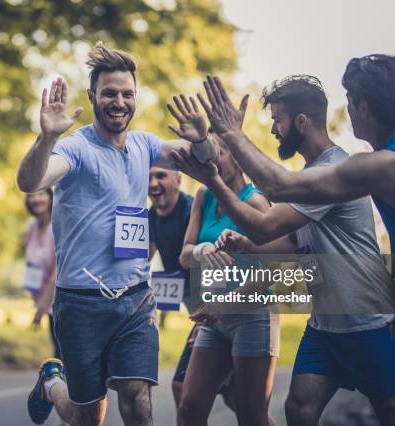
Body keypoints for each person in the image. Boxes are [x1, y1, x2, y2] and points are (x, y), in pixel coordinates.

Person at [198, 56, 395, 426]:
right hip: (327, 324)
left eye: (349, 99)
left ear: (363, 107)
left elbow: (274, 195)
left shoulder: (369, 167)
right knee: (298, 409)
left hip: (365, 322)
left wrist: (230, 137)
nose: (346, 108)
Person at [18, 42, 218, 426]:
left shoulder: (145, 145)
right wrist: (46, 138)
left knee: (137, 400)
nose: (119, 101)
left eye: (127, 94)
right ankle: (51, 383)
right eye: (109, 93)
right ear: (92, 96)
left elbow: (208, 162)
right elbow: (30, 181)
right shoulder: (75, 148)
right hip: (80, 304)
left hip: (135, 300)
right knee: (86, 417)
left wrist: (201, 139)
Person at [175, 131, 278, 426]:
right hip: (214, 321)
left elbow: (273, 268)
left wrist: (226, 301)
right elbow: (185, 255)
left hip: (252, 316)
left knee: (250, 415)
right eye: (205, 152)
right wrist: (202, 251)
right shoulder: (204, 195)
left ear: (236, 155)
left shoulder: (256, 201)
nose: (210, 158)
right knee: (190, 406)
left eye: (217, 151)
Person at [147, 167, 194, 422]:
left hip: (221, 310)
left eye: (160, 176)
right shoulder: (152, 216)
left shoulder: (192, 210)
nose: (152, 183)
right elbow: (141, 261)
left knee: (182, 386)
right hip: (202, 314)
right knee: (238, 400)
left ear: (179, 179)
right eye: (148, 177)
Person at [23, 189, 60, 359]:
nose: (36, 199)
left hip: (58, 301)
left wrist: (41, 308)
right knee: (56, 348)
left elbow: (56, 274)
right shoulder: (31, 226)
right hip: (44, 301)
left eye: (41, 194)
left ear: (51, 197)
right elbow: (31, 265)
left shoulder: (57, 226)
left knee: (61, 353)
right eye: (32, 194)